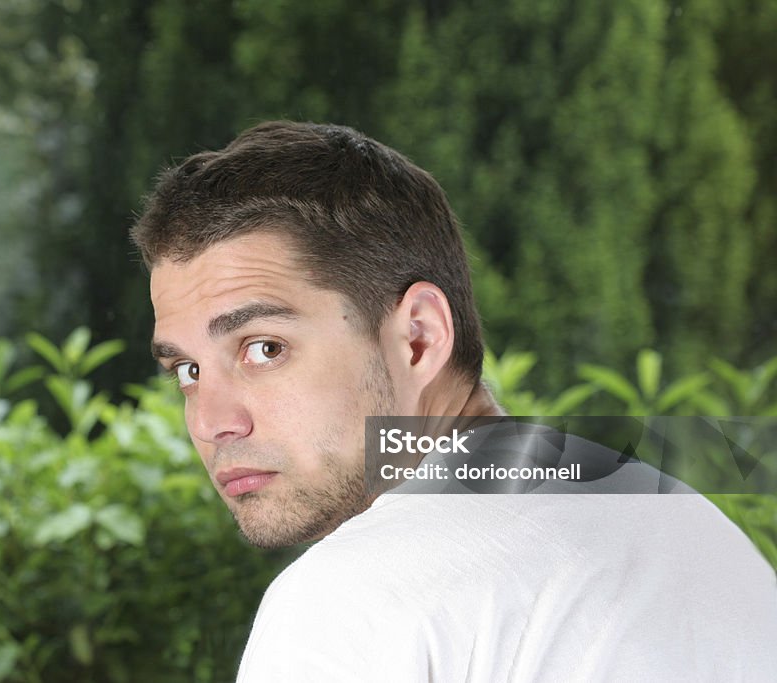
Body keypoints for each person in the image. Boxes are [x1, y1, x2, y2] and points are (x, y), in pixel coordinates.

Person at [130, 121, 777, 681]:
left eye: (262, 348)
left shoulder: (340, 606)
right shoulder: (681, 521)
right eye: (187, 369)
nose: (212, 421)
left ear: (418, 338)